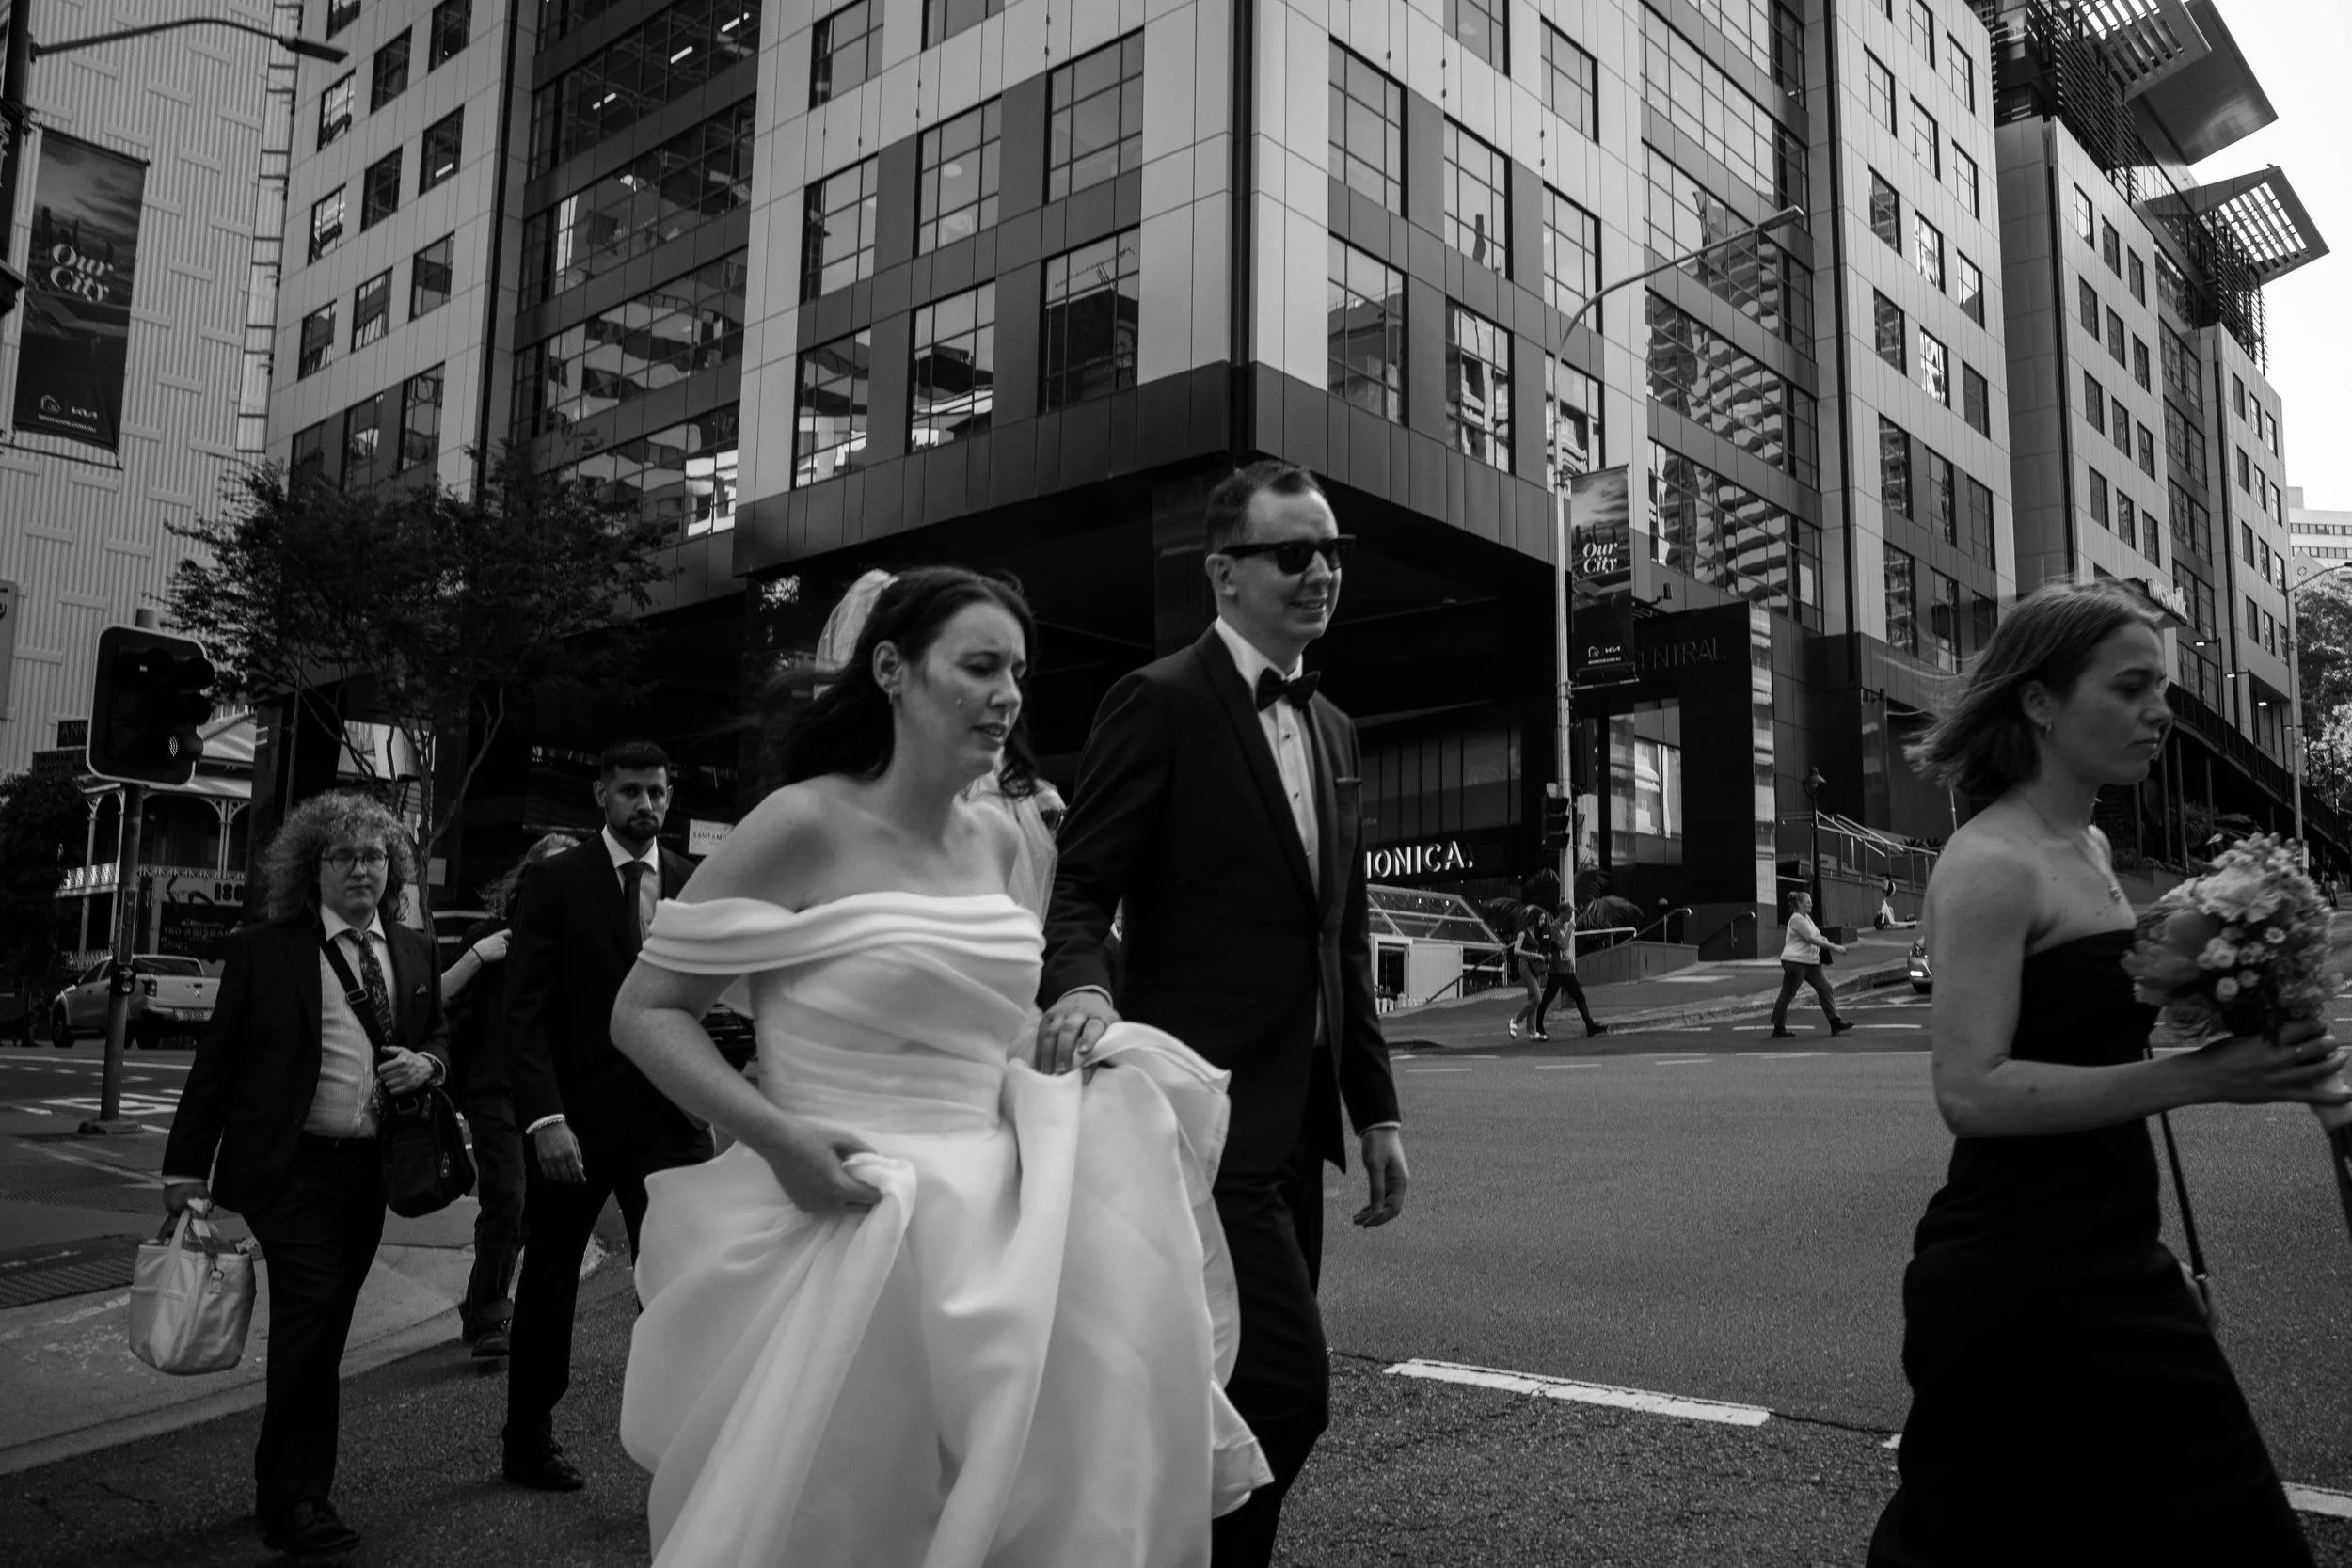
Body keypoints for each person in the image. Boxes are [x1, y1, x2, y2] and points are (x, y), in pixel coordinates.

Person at [607, 567, 1268, 1563]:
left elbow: (993, 1025)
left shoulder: (995, 842)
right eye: (978, 665)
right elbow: (645, 1010)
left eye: (1018, 670)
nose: (1007, 693)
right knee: (848, 1517)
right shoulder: (802, 823)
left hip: (1004, 1222)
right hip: (848, 1216)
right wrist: (778, 1138)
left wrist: (1068, 1047)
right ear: (892, 669)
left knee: (1020, 1504)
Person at [1867, 582, 2349, 1565]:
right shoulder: (1989, 860)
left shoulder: (2086, 844)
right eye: (2130, 687)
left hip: (2116, 1254)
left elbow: (2094, 1027)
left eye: (2160, 689)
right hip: (2015, 1284)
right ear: (2039, 701)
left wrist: (2236, 970)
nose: (2160, 711)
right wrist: (2205, 1075)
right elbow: (1971, 1091)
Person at [1039, 460, 1408, 1568]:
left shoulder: (1334, 725)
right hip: (1195, 1119)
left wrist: (1374, 1111)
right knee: (1289, 1392)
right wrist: (1083, 983)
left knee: (1239, 1393)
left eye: (1332, 551)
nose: (1320, 572)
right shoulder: (1158, 699)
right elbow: (1079, 883)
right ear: (1223, 570)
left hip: (1298, 1122)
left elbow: (1338, 934)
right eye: (1293, 551)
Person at [160, 793, 450, 1560]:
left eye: (376, 856)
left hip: (370, 1171)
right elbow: (216, 1063)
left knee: (322, 1332)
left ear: (393, 870)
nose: (362, 868)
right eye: (345, 856)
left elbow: (442, 1034)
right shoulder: (267, 947)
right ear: (311, 866)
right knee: (311, 1322)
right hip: (288, 1173)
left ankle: (281, 1489)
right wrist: (184, 1168)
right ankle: (298, 1501)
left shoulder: (416, 949)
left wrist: (430, 1063)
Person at [501, 741, 709, 1492]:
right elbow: (520, 1013)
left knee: (688, 1283)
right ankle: (528, 1439)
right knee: (552, 1281)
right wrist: (545, 1118)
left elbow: (715, 1003)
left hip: (670, 1123)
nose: (645, 805)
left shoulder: (693, 883)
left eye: (656, 790)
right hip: (575, 1125)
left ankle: (687, 1442)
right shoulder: (557, 881)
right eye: (629, 790)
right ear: (600, 793)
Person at [438, 831, 579, 1358]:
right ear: (529, 879)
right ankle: (494, 1311)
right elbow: (438, 999)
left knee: (531, 1210)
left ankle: (481, 1304)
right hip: (492, 1087)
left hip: (552, 1095)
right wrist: (478, 955)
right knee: (508, 1194)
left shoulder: (576, 943)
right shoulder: (493, 935)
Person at [1770, 890, 1852, 1039]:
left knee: (1825, 988)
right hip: (1795, 962)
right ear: (1800, 904)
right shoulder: (1796, 919)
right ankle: (1778, 1027)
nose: (1811, 905)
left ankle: (1835, 1022)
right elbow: (1810, 938)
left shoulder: (1807, 918)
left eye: (1811, 902)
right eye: (1808, 902)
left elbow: (1816, 936)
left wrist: (1825, 939)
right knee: (1788, 993)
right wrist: (1835, 947)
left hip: (1811, 963)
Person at [1534, 903, 1606, 1039]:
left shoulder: (1566, 925)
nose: (1571, 915)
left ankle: (1590, 1026)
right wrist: (1570, 931)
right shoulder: (1554, 927)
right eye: (1568, 913)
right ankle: (1539, 1028)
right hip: (1557, 971)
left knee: (1579, 997)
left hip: (1567, 970)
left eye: (1571, 912)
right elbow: (1562, 945)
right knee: (1547, 1000)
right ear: (1561, 913)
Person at [1506, 908, 1549, 1039]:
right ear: (1534, 919)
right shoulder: (1523, 934)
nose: (1543, 921)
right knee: (1537, 997)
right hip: (1525, 965)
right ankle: (1515, 1021)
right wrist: (1533, 954)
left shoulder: (1536, 933)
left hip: (1535, 966)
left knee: (1533, 999)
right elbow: (1516, 950)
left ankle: (1532, 1031)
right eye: (1541, 919)